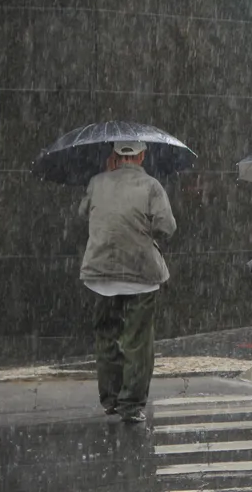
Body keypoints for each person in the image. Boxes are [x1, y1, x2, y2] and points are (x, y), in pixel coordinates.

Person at [79, 141, 177, 423]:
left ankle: (110, 398)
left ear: (115, 155)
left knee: (107, 335)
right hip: (141, 275)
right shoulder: (151, 186)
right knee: (138, 340)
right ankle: (131, 405)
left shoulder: (97, 182)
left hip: (101, 272)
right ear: (142, 155)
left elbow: (82, 214)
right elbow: (166, 227)